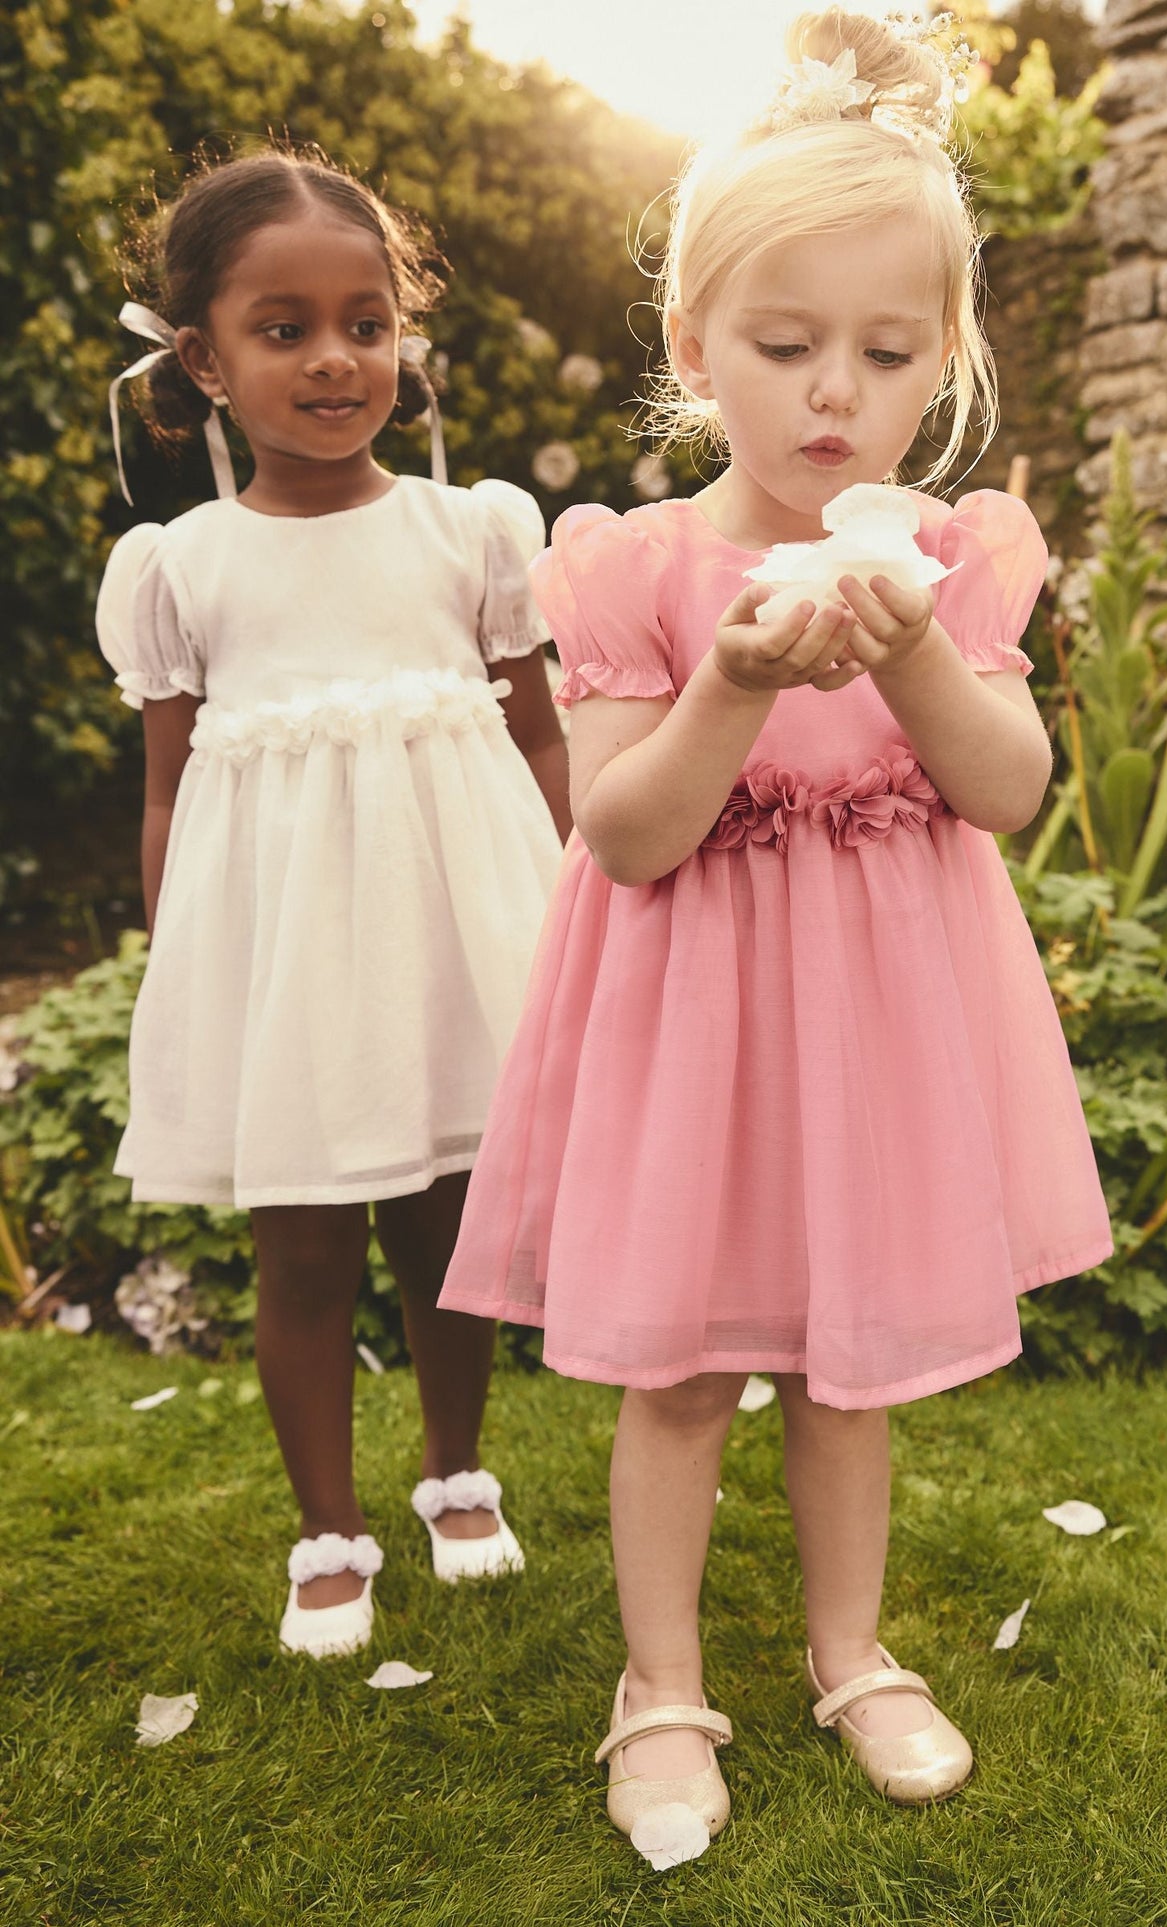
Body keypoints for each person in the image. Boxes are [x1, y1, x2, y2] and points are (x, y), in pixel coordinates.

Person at [440, 7, 1112, 1835]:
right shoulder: (638, 568)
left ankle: (850, 1650)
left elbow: (1006, 790)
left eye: (885, 354)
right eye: (785, 344)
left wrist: (908, 654)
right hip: (697, 1032)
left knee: (850, 1355)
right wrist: (729, 684)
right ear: (691, 343)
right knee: (678, 1371)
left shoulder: (942, 562)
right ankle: (660, 1690)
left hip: (874, 1029)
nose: (835, 395)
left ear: (941, 359)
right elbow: (624, 832)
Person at [95, 149, 569, 1659]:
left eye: (365, 321)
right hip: (285, 966)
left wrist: (571, 919)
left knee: (447, 1226)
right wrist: (184, 968)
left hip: (454, 945)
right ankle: (326, 1528)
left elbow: (540, 735)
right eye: (283, 328)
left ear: (404, 336)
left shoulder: (472, 534)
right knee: (302, 1244)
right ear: (203, 362)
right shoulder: (185, 568)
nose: (334, 359)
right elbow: (171, 787)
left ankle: (455, 1475)